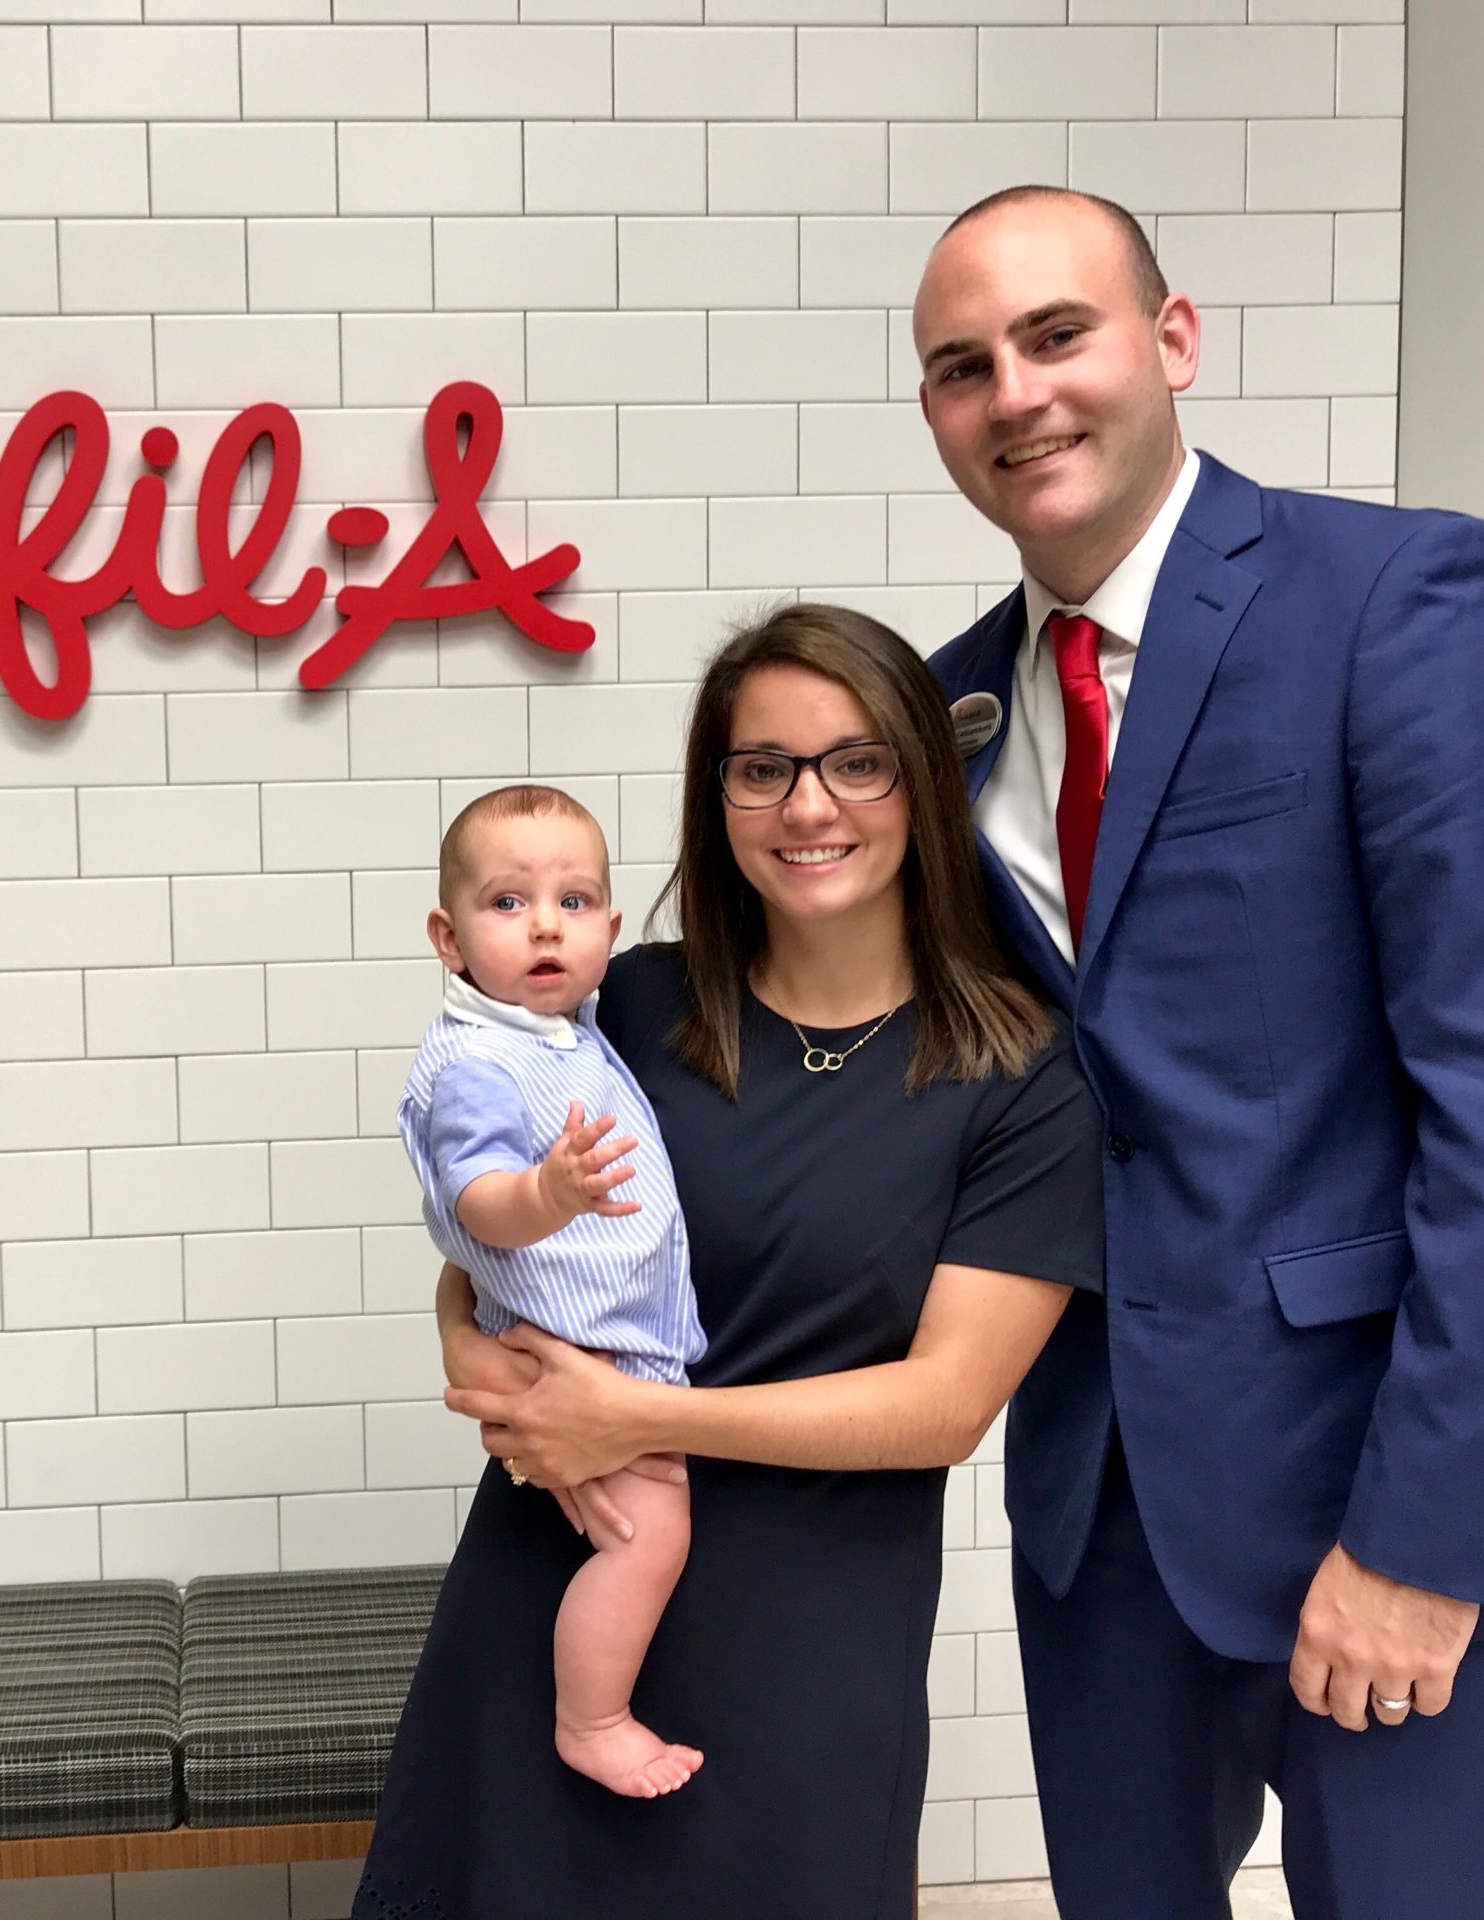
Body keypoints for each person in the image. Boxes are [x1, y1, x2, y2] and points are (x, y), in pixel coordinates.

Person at [910, 184, 1484, 1920]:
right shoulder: (947, 714)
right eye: (960, 365)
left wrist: (1422, 1540)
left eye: (1057, 333)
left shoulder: (1402, 599)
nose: (1016, 392)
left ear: (1173, 340)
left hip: (1382, 1492)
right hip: (1101, 1517)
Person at [353, 604, 1105, 1920]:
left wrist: (629, 1414)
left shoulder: (1017, 1075)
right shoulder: (632, 1003)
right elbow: (481, 1231)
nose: (809, 805)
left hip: (809, 1639)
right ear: (719, 798)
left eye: (857, 760)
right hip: (560, 1580)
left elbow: (945, 1404)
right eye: (764, 767)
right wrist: (468, 1345)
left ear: (924, 781)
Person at [399, 783, 709, 1799]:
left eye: (575, 903)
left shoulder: (564, 1029)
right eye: (507, 903)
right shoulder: (479, 1064)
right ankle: (594, 1718)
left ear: (611, 931)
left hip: (609, 1338)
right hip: (586, 1352)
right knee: (649, 1534)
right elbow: (477, 1200)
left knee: (638, 1531)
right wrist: (547, 1191)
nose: (544, 923)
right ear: (448, 939)